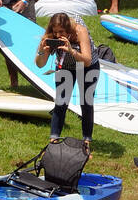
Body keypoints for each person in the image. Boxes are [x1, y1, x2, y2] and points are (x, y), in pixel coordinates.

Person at [35, 10, 98, 154]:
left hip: (87, 66)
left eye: (61, 31)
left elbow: (87, 60)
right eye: (55, 32)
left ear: (68, 28)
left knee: (86, 102)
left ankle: (86, 141)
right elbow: (40, 64)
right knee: (61, 102)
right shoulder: (50, 35)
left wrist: (71, 50)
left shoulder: (79, 31)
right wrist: (41, 51)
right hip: (65, 66)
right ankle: (53, 140)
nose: (58, 35)